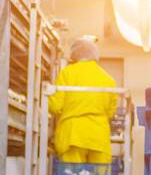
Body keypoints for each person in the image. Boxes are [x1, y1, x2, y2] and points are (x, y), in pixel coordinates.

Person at [47, 37, 118, 165]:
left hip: (72, 135)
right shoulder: (108, 79)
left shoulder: (67, 73)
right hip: (98, 136)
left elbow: (56, 106)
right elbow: (110, 112)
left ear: (74, 55)